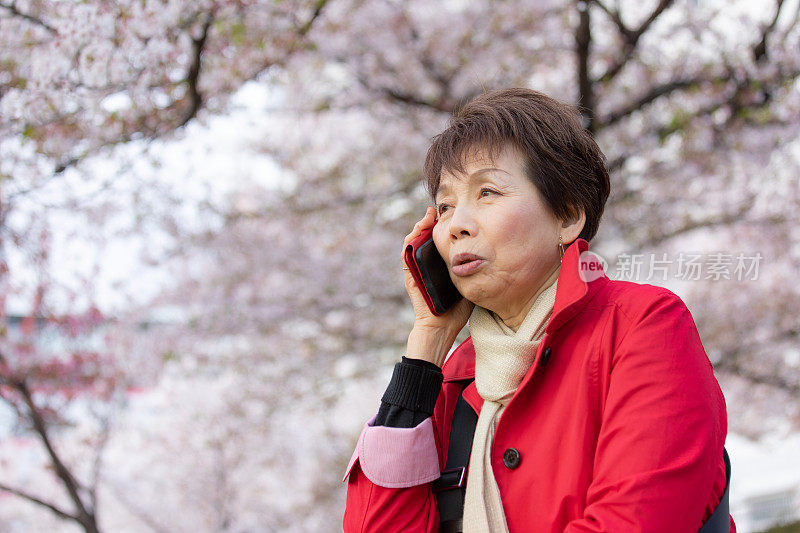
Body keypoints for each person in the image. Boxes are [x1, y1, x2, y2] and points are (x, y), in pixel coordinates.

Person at [342, 88, 733, 532]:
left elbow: (634, 521)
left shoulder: (641, 324)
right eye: (446, 205)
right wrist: (426, 345)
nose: (455, 226)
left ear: (566, 217)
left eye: (487, 192)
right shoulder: (454, 377)